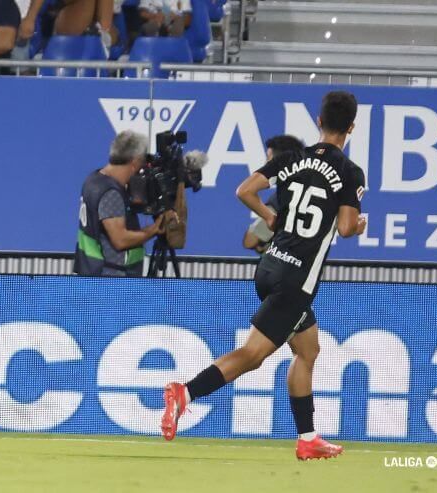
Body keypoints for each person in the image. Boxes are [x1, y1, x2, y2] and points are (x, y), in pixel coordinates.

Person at [161, 91, 367, 461]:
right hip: (297, 280)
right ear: (351, 127)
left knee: (308, 350)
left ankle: (308, 438)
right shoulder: (349, 172)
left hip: (270, 265)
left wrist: (270, 216)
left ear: (319, 121)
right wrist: (360, 224)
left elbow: (244, 190)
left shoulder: (292, 158)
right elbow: (347, 228)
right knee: (253, 354)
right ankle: (185, 392)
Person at [73, 130, 167, 277]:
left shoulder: (94, 179)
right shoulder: (111, 193)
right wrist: (153, 230)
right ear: (135, 161)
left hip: (92, 273)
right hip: (111, 279)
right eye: (143, 160)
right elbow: (120, 240)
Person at [242, 135, 304, 253]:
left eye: (269, 158)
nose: (266, 163)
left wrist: (268, 219)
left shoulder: (280, 199)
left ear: (280, 160)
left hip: (282, 261)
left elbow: (250, 241)